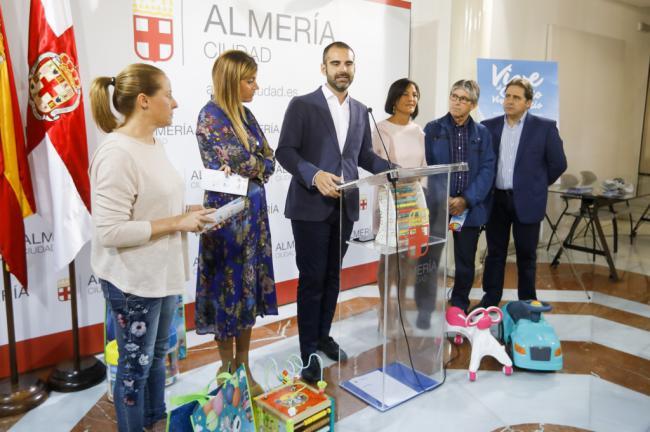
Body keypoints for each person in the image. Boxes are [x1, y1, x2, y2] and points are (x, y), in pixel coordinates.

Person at [89, 64, 215, 432]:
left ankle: (154, 420)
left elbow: (149, 206)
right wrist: (177, 223)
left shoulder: (151, 143)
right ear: (144, 101)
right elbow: (110, 230)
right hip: (133, 282)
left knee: (157, 355)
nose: (175, 103)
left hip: (159, 275)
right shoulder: (116, 153)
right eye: (168, 94)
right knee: (133, 372)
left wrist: (187, 213)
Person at [276, 41, 391, 383]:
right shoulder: (303, 105)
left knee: (332, 278)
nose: (343, 68)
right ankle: (308, 350)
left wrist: (395, 169)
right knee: (312, 280)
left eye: (348, 63)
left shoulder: (359, 110)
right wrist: (313, 174)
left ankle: (323, 336)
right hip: (310, 206)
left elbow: (363, 157)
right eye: (335, 62)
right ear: (323, 67)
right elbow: (285, 151)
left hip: (346, 206)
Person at [194, 50, 277, 395]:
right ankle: (226, 368)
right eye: (250, 79)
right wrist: (255, 163)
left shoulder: (247, 114)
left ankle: (243, 364)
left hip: (253, 216)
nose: (256, 86)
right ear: (232, 81)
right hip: (227, 221)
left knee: (247, 294)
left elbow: (269, 161)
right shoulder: (210, 116)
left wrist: (255, 163)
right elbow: (244, 162)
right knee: (226, 292)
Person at [480, 77, 567, 307]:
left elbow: (558, 163)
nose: (509, 101)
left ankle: (528, 301)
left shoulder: (545, 127)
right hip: (497, 200)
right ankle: (490, 299)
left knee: (526, 255)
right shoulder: (489, 126)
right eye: (507, 96)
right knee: (495, 254)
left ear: (528, 102)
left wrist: (536, 185)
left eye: (516, 97)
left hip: (528, 201)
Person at [424, 79, 495, 314]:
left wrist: (465, 199)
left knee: (465, 263)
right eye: (453, 96)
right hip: (437, 205)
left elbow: (487, 169)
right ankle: (426, 307)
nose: (456, 102)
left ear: (473, 104)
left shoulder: (483, 134)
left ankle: (459, 306)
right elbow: (427, 167)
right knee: (429, 259)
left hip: (468, 208)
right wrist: (442, 196)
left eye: (463, 99)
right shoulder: (433, 129)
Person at [371, 78, 426, 331]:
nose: (411, 98)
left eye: (414, 94)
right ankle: (385, 310)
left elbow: (425, 168)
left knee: (409, 258)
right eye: (405, 94)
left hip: (414, 197)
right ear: (394, 99)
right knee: (390, 258)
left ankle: (402, 307)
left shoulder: (419, 131)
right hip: (390, 198)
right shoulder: (381, 129)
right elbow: (379, 168)